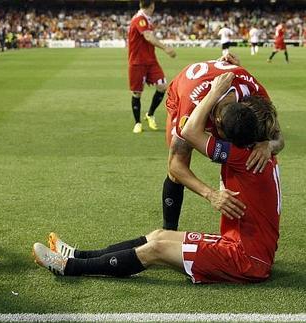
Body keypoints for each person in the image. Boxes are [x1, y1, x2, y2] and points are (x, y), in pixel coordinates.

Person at [34, 72, 281, 284]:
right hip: (242, 246)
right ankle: (78, 254)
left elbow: (190, 131)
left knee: (156, 249)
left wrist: (215, 91)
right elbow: (274, 137)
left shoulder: (242, 155)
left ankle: (68, 267)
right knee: (159, 235)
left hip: (246, 259)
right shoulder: (258, 151)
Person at [161, 55, 284, 231]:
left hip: (220, 81)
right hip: (185, 90)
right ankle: (168, 231)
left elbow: (279, 138)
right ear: (216, 122)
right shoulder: (190, 109)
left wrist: (268, 145)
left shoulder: (254, 94)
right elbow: (175, 165)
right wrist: (211, 195)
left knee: (246, 148)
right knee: (176, 171)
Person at [127, 0, 176, 134]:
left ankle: (150, 114)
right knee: (137, 93)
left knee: (162, 86)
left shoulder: (146, 19)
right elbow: (148, 36)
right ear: (152, 6)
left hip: (150, 61)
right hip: (137, 62)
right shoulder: (140, 19)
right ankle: (137, 123)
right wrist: (166, 48)